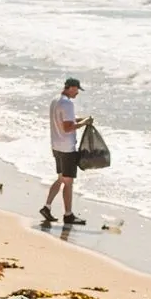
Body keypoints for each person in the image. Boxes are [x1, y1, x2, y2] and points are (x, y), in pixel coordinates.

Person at [40, 77, 91, 228]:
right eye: (77, 90)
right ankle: (68, 215)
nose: (77, 93)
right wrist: (84, 123)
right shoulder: (68, 103)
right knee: (68, 183)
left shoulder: (56, 100)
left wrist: (81, 119)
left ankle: (47, 207)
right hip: (67, 148)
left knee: (61, 178)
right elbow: (68, 127)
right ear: (71, 88)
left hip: (56, 145)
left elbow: (65, 120)